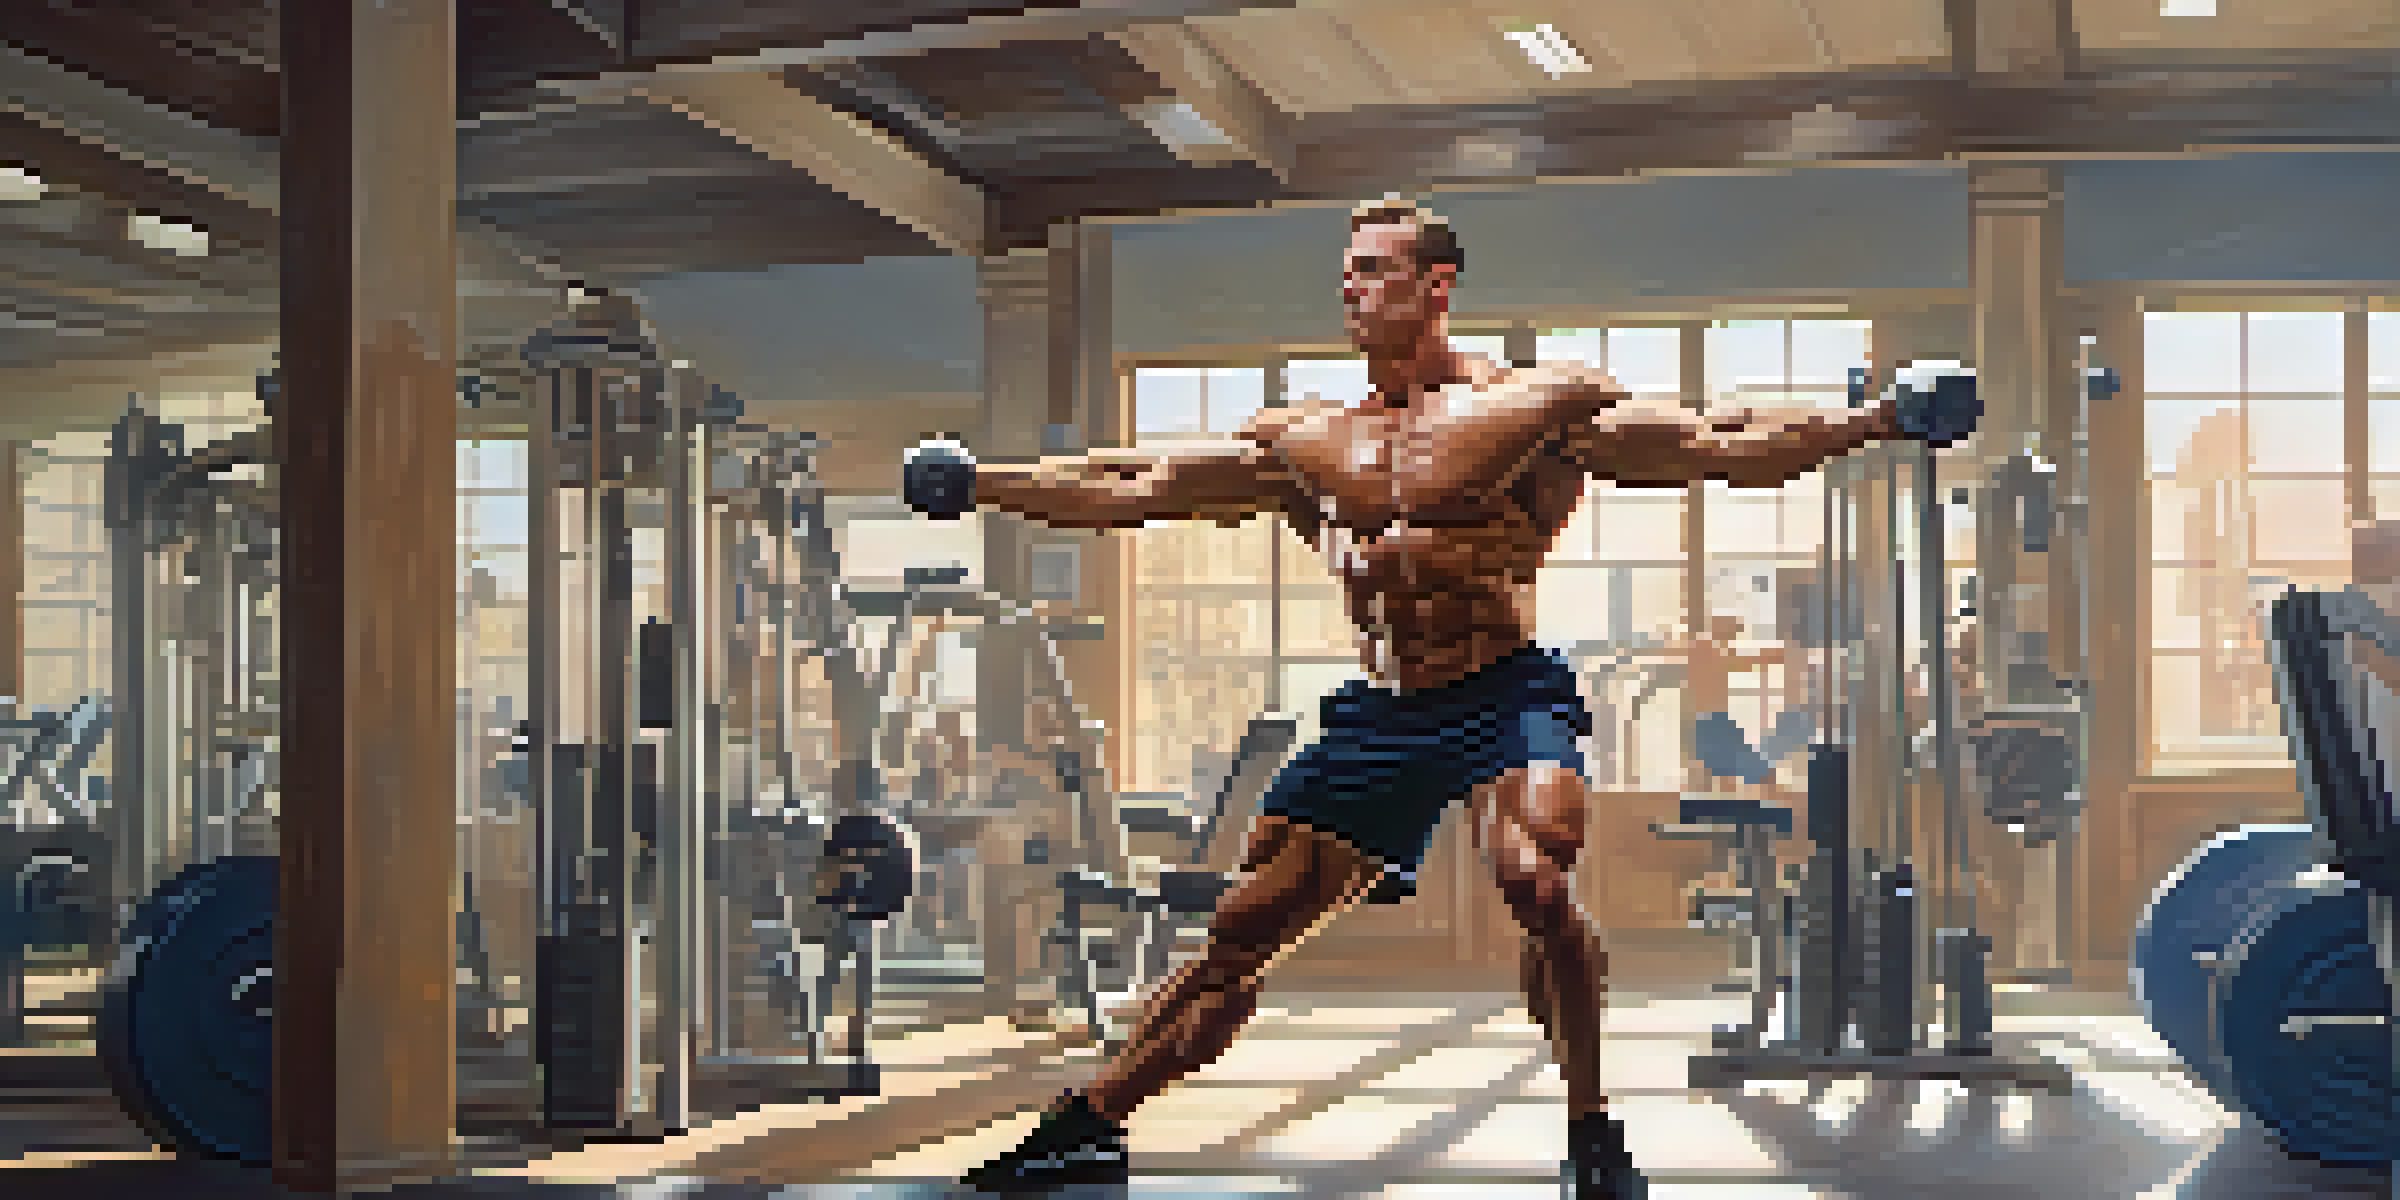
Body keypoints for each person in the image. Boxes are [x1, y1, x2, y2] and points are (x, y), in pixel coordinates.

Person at [901, 195, 1977, 1197]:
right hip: (1383, 709)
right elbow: (1135, 482)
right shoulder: (1307, 441)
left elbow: (1715, 441)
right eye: (1347, 273)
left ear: (1437, 284)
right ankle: (1090, 1125)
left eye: (1375, 270)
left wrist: (1880, 418)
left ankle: (1591, 1130)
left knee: (1535, 880)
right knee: (1241, 929)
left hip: (1503, 692)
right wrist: (980, 482)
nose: (1352, 288)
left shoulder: (1534, 407)